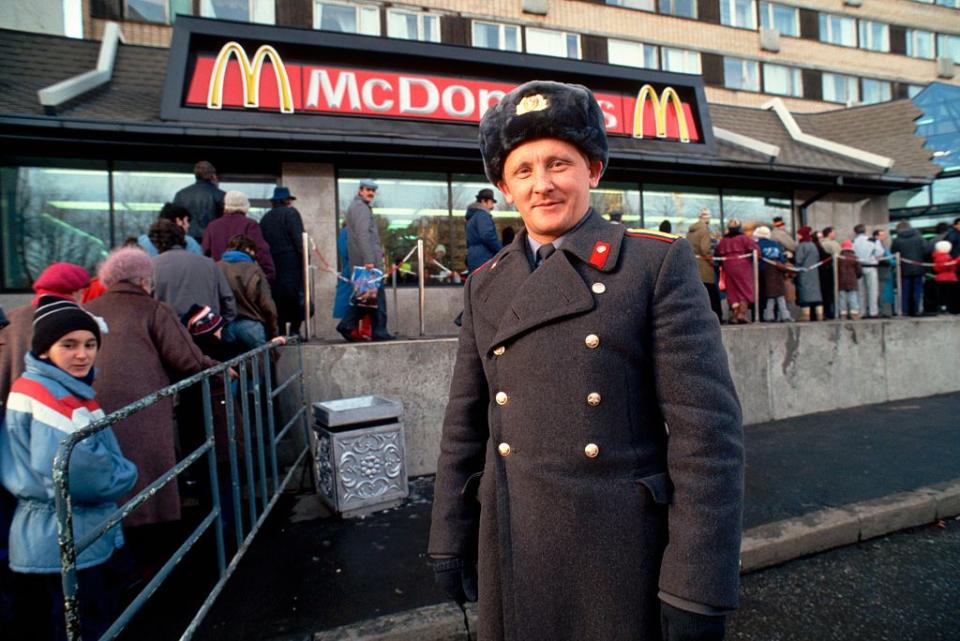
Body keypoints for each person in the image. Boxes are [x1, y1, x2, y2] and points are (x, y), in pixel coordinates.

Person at [429, 81, 744, 641]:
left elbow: (706, 436)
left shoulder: (653, 263)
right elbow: (464, 423)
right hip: (514, 543)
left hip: (617, 553)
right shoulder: (486, 284)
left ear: (593, 170)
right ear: (503, 187)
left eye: (558, 164)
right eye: (523, 170)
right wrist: (450, 537)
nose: (542, 184)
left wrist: (697, 583)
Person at [0, 297, 137, 641]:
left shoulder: (55, 387)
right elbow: (85, 475)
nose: (83, 354)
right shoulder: (50, 394)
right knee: (82, 625)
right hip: (68, 535)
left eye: (90, 344)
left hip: (55, 534)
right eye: (69, 345)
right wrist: (127, 474)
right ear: (45, 349)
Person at [85, 248, 218, 585]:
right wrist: (217, 370)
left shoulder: (88, 310)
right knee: (150, 479)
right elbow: (186, 357)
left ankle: (117, 556)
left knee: (114, 479)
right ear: (144, 280)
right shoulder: (153, 309)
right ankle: (152, 567)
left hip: (95, 410)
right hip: (144, 410)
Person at [0, 263, 91, 407]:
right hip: (57, 408)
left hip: (13, 405)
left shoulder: (12, 317)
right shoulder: (76, 321)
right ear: (76, 292)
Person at [336, 179, 392, 341]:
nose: (371, 193)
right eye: (368, 190)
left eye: (373, 190)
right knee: (374, 297)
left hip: (364, 261)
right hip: (367, 262)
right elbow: (363, 235)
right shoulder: (361, 208)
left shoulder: (357, 207)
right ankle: (374, 330)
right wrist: (369, 260)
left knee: (367, 297)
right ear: (360, 190)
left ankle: (353, 325)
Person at [151, 219, 237, 324]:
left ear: (156, 243)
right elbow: (228, 299)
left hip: (169, 332)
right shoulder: (209, 264)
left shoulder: (152, 267)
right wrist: (220, 325)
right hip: (206, 330)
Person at [217, 235, 281, 351]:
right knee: (261, 365)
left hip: (224, 327)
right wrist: (273, 332)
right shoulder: (254, 269)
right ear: (249, 250)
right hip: (251, 326)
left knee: (230, 367)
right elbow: (267, 305)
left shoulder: (217, 267)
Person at [259, 186, 305, 335]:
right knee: (295, 297)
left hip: (272, 263)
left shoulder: (265, 218)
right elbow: (299, 241)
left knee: (277, 298)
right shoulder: (291, 213)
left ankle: (280, 331)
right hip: (291, 263)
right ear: (286, 201)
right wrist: (305, 259)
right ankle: (294, 331)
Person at [202, 191, 276, 282]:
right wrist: (269, 273)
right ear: (245, 206)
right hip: (243, 278)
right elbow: (261, 250)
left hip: (220, 277)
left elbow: (204, 253)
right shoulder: (250, 224)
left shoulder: (212, 226)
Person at [715, 218, 758, 324]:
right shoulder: (744, 239)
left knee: (732, 291)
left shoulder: (723, 241)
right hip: (744, 268)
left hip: (728, 268)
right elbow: (756, 251)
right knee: (745, 290)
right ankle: (741, 314)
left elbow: (717, 253)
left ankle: (735, 315)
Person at [173, 160, 225, 243]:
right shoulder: (221, 195)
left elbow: (174, 221)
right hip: (211, 241)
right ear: (213, 176)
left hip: (186, 241)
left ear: (196, 175)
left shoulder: (181, 195)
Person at [686, 208, 721, 320]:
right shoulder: (704, 230)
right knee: (712, 292)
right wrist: (712, 262)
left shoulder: (691, 231)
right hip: (704, 265)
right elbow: (705, 249)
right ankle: (717, 316)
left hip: (693, 265)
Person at [755, 226, 792, 322]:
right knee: (780, 297)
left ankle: (767, 316)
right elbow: (782, 259)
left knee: (767, 296)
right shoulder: (775, 244)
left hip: (761, 273)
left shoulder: (757, 244)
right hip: (777, 274)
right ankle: (783, 315)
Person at [138, 203, 203, 257]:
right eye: (187, 221)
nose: (188, 226)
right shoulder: (190, 243)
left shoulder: (141, 241)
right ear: (178, 221)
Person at [890, 221, 926, 317]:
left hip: (903, 268)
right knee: (917, 290)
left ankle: (905, 310)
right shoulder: (919, 238)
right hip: (918, 267)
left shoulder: (897, 240)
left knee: (904, 290)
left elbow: (893, 253)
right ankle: (916, 309)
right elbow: (925, 250)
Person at [465, 188, 502, 272]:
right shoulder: (482, 215)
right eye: (491, 202)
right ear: (483, 201)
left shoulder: (472, 217)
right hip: (484, 257)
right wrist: (501, 250)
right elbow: (487, 236)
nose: (493, 205)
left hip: (474, 258)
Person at [852, 224, 884, 318]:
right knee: (873, 290)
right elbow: (880, 252)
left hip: (859, 267)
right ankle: (873, 312)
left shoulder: (853, 242)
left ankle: (862, 312)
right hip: (871, 266)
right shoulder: (873, 240)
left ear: (855, 232)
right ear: (865, 230)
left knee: (861, 291)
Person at [794, 226, 823, 321]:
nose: (797, 236)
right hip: (814, 272)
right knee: (816, 292)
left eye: (799, 234)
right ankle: (820, 314)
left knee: (805, 292)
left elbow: (798, 260)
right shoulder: (813, 245)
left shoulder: (802, 246)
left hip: (804, 271)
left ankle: (805, 315)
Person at [837, 240, 863, 320]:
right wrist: (857, 276)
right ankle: (854, 313)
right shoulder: (854, 258)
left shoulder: (838, 258)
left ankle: (843, 313)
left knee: (842, 297)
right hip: (852, 280)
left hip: (841, 280)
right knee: (853, 297)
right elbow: (859, 270)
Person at [932, 240, 959, 314]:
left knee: (942, 295)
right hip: (950, 278)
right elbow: (950, 266)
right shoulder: (946, 257)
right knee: (951, 295)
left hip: (940, 278)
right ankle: (952, 309)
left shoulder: (937, 256)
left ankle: (943, 308)